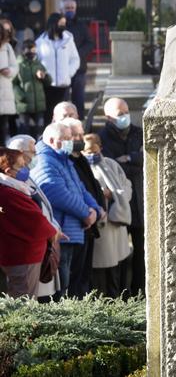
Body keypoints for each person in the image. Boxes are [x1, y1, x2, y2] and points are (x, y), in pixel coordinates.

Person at [31, 122, 102, 298]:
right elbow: (56, 193)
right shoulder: (45, 159)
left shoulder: (64, 158)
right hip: (63, 233)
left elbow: (81, 188)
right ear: (51, 140)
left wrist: (95, 210)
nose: (72, 142)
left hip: (74, 230)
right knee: (61, 288)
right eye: (67, 139)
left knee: (72, 285)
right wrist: (86, 213)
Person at [0, 147, 62, 298]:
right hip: (22, 257)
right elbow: (35, 222)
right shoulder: (8, 193)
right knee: (24, 302)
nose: (25, 169)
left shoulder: (14, 187)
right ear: (8, 171)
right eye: (20, 166)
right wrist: (53, 232)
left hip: (23, 255)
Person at [98, 97, 145, 296]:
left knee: (141, 252)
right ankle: (121, 295)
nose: (125, 116)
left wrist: (129, 158)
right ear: (108, 117)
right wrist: (134, 160)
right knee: (120, 253)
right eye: (120, 114)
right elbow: (110, 167)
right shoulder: (103, 138)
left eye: (126, 112)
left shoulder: (138, 132)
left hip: (140, 202)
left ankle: (140, 291)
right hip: (120, 203)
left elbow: (145, 158)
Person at [83, 133, 132, 298]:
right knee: (100, 269)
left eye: (93, 151)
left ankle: (119, 299)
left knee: (117, 268)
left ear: (100, 148)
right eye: (86, 151)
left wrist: (117, 196)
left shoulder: (111, 164)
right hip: (100, 225)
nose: (90, 155)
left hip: (115, 222)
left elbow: (126, 186)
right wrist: (100, 195)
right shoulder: (82, 167)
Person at [63, 117, 106, 298]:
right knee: (73, 282)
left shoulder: (78, 157)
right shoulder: (64, 159)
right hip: (75, 226)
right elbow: (65, 194)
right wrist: (87, 212)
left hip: (88, 225)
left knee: (83, 278)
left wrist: (97, 208)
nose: (80, 139)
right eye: (76, 135)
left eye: (81, 134)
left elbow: (87, 188)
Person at [36, 13, 79, 126]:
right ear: (53, 24)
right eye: (61, 24)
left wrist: (68, 73)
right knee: (49, 115)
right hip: (47, 85)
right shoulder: (40, 42)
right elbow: (36, 62)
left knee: (63, 114)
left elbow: (75, 59)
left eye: (64, 24)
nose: (63, 26)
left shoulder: (68, 40)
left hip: (63, 85)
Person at [61, 0, 94, 117]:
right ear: (62, 10)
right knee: (62, 100)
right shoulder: (58, 26)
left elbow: (90, 42)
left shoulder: (81, 25)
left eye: (72, 8)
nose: (70, 10)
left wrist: (78, 53)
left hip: (79, 68)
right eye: (67, 8)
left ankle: (79, 121)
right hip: (62, 69)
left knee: (79, 98)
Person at [13, 39, 51, 138]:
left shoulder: (38, 64)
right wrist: (21, 97)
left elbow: (49, 81)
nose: (31, 52)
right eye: (28, 50)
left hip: (39, 104)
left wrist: (44, 77)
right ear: (23, 51)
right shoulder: (18, 64)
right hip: (24, 105)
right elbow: (13, 83)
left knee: (39, 130)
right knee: (24, 130)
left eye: (34, 50)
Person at [0, 22, 19, 145]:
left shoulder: (7, 47)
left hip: (4, 93)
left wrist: (9, 71)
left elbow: (15, 66)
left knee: (2, 129)